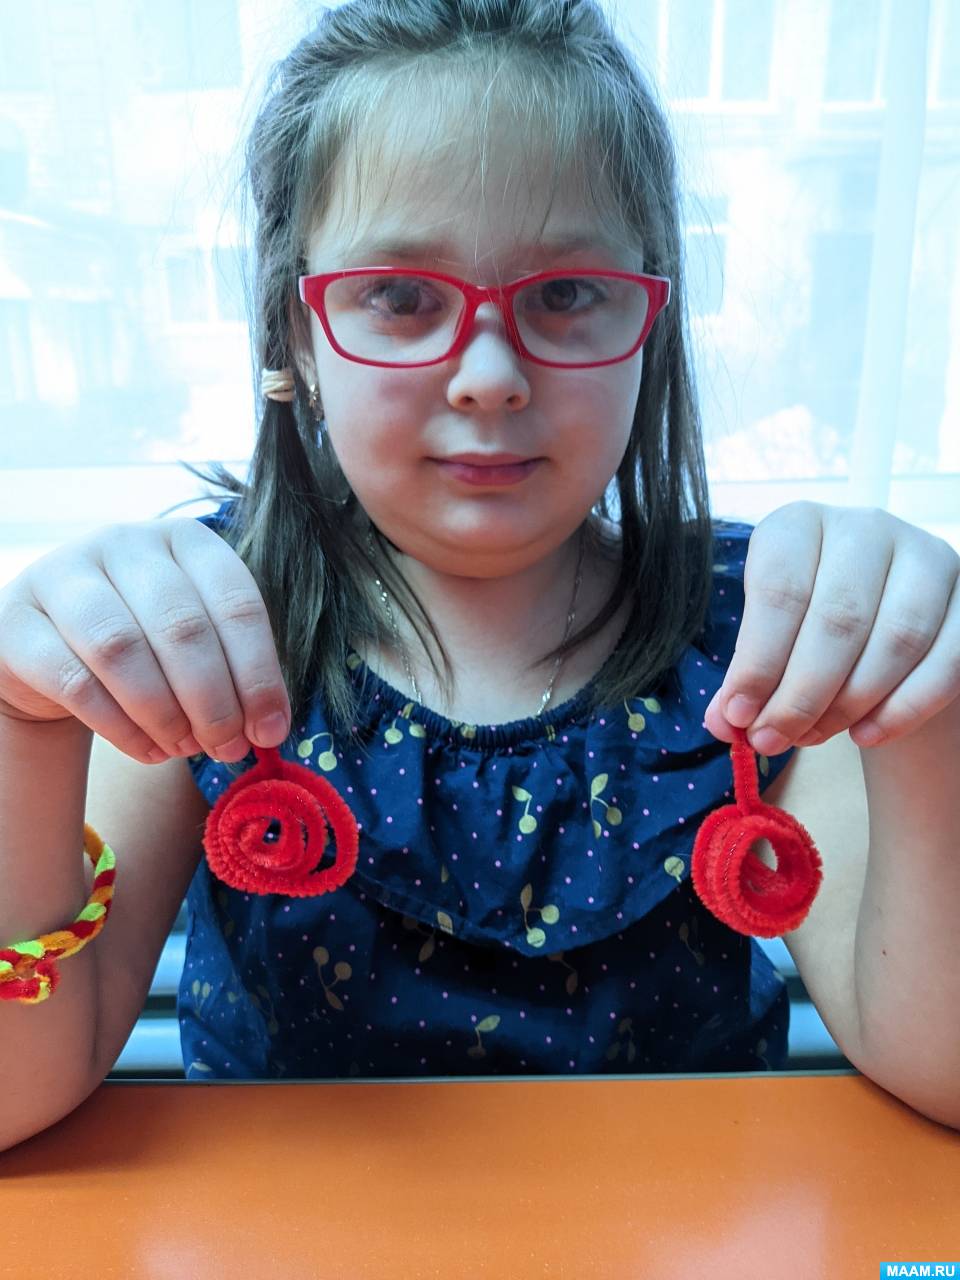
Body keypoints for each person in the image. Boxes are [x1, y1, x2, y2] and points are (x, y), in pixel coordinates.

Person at [1, 0, 958, 1143]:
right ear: (296, 334)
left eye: (565, 293)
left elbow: (941, 1061)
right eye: (401, 297)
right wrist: (21, 719)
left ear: (649, 322)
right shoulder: (193, 627)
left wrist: (927, 705)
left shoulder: (766, 636)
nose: (490, 374)